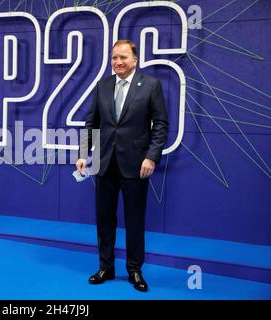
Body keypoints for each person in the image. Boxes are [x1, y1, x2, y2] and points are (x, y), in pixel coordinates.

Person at [76, 40, 169, 292]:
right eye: (114, 57)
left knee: (134, 220)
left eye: (123, 57)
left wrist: (151, 156)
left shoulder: (151, 85)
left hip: (137, 165)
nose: (118, 62)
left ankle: (135, 270)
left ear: (135, 60)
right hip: (105, 164)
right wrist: (84, 153)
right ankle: (105, 268)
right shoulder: (102, 86)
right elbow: (91, 123)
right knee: (104, 219)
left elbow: (160, 125)